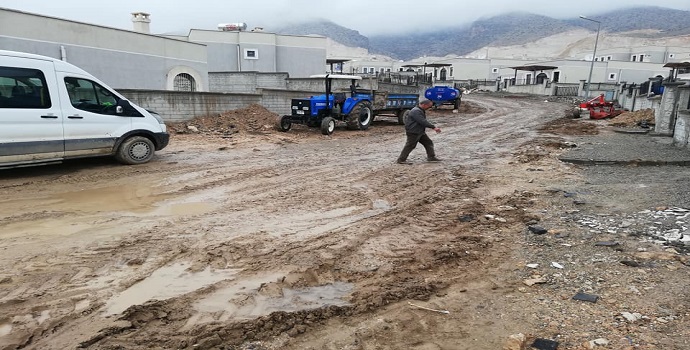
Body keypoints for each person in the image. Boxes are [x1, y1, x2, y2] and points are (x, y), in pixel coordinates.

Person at [396, 99, 442, 164]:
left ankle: (431, 157)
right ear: (424, 105)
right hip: (414, 131)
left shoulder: (419, 110)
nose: (429, 107)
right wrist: (433, 127)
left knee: (428, 143)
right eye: (428, 106)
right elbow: (422, 121)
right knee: (410, 145)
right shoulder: (416, 111)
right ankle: (401, 160)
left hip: (419, 131)